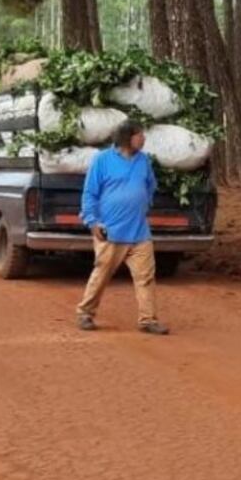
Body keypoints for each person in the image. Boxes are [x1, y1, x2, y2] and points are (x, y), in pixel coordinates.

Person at [75, 120, 168, 335]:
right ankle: (85, 313)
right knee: (102, 274)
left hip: (139, 232)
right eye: (139, 135)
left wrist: (145, 203)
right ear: (127, 138)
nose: (143, 139)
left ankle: (148, 320)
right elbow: (90, 193)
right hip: (111, 233)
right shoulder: (103, 161)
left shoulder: (144, 161)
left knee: (146, 277)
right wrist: (92, 221)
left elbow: (150, 185)